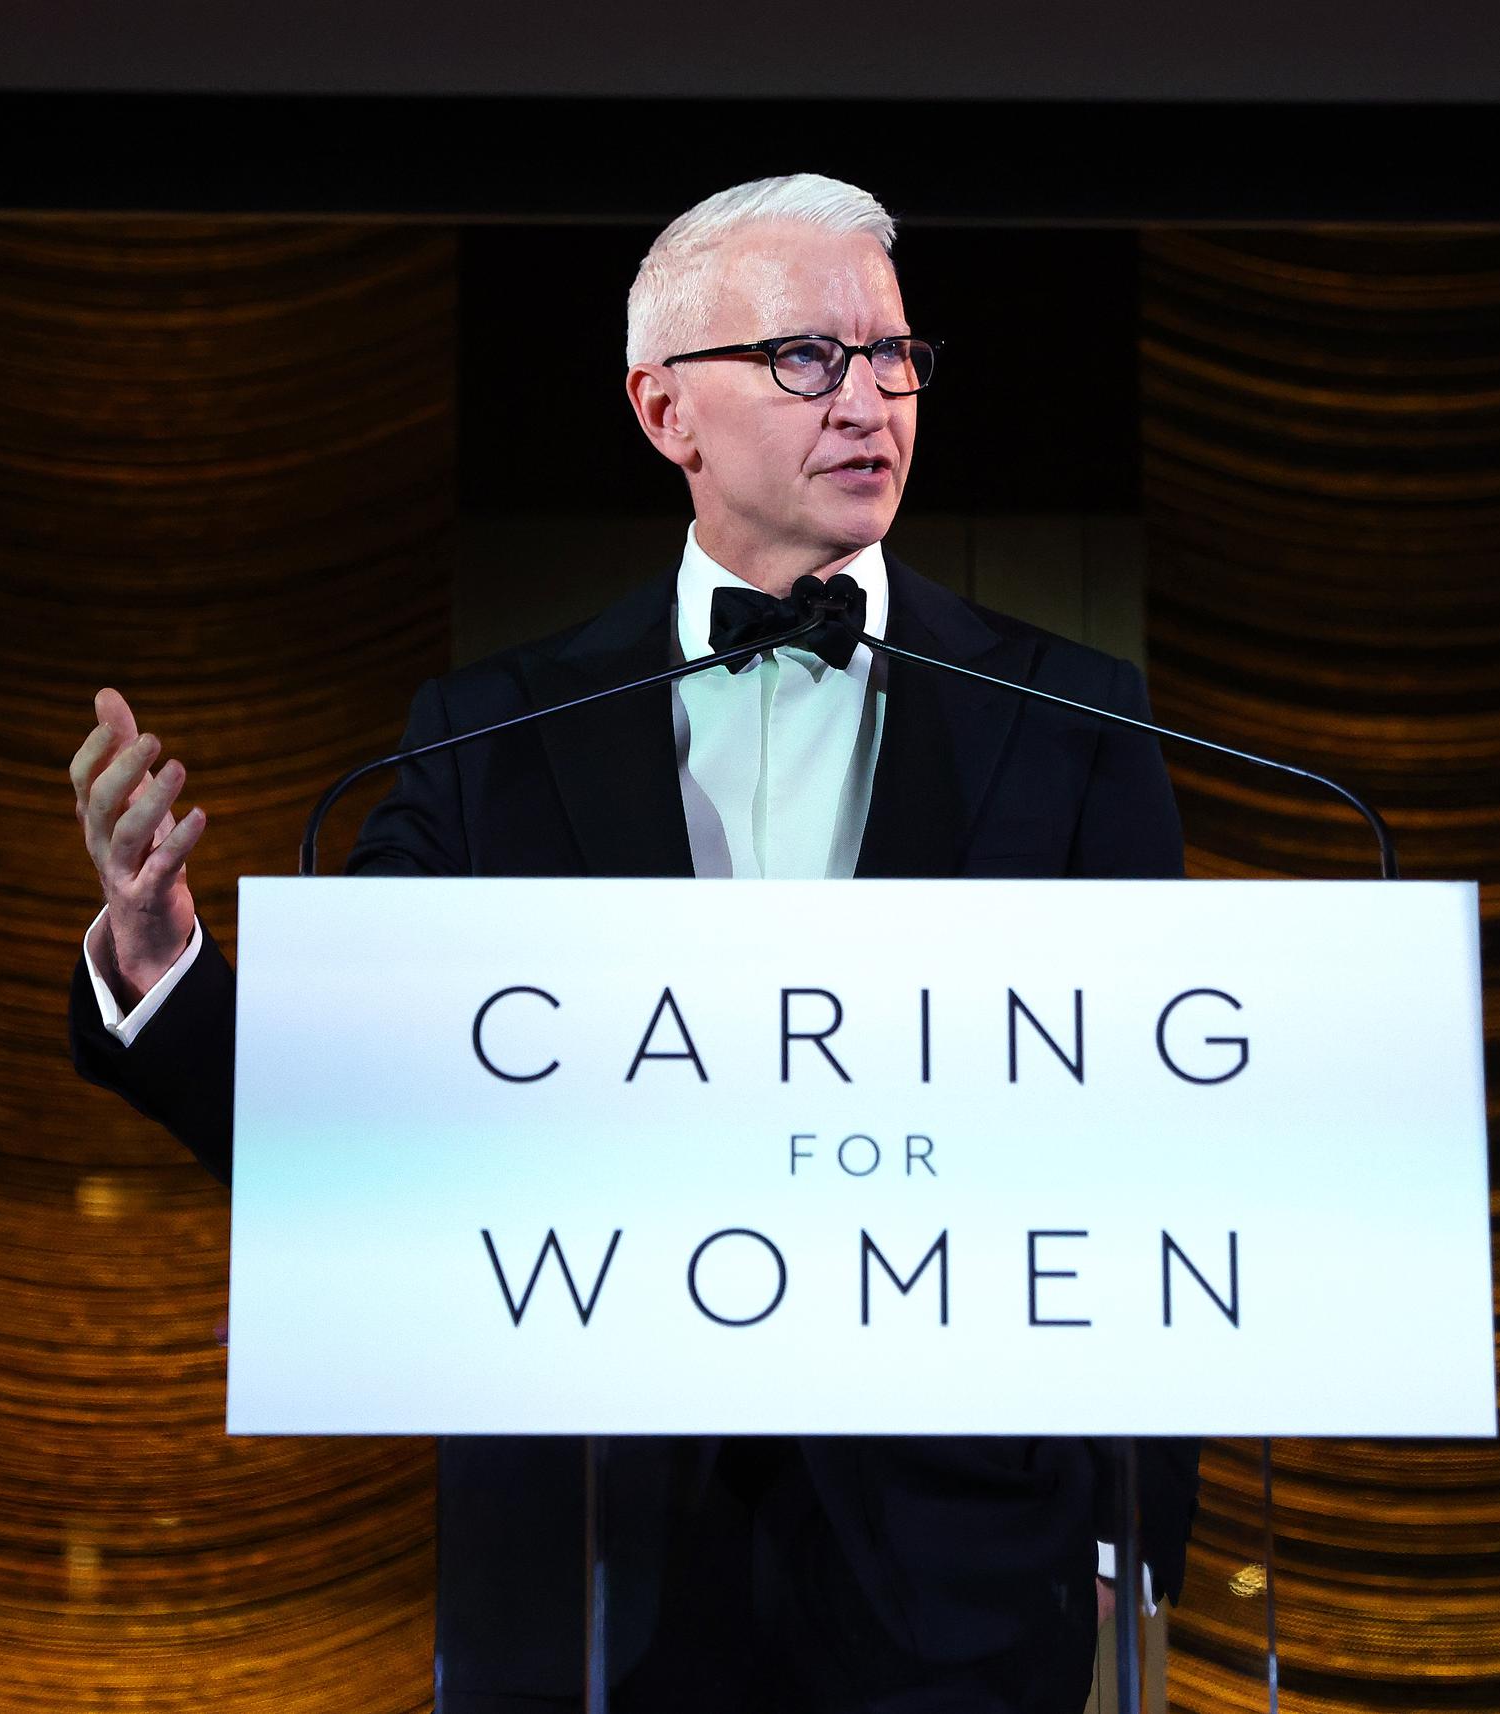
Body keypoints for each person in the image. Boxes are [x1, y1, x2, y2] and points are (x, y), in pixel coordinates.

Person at [68, 174, 1199, 1714]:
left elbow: (1164, 1146)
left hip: (966, 1564)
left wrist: (1139, 1539)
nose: (871, 397)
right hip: (592, 1555)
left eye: (896, 354)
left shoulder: (1066, 715)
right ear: (665, 408)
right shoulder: (493, 735)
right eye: (809, 356)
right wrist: (164, 964)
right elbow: (352, 1122)